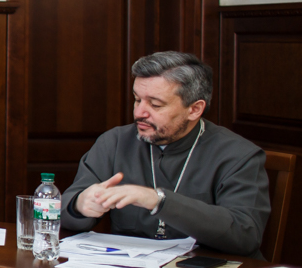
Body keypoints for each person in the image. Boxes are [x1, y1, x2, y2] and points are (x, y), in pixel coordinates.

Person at [61, 51, 270, 257]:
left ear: (194, 109)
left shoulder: (238, 155)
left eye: (155, 104)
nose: (139, 113)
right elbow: (60, 210)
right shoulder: (115, 142)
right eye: (137, 100)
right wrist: (79, 204)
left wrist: (158, 201)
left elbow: (245, 235)